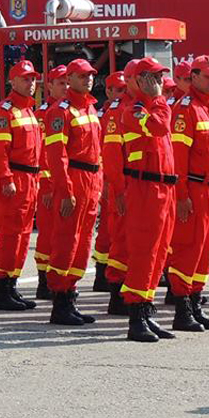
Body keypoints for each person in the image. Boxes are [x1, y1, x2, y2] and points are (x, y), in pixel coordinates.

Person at [165, 55, 209, 332]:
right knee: (188, 249)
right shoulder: (185, 109)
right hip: (194, 188)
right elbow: (178, 158)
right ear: (195, 76)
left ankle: (197, 303)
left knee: (205, 250)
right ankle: (182, 309)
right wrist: (181, 196)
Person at [118, 57, 177, 342]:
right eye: (154, 77)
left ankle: (147, 308)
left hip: (163, 188)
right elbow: (159, 127)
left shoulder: (153, 106)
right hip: (145, 189)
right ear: (140, 81)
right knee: (144, 252)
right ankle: (136, 317)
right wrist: (157, 99)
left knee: (159, 251)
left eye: (160, 77)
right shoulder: (135, 109)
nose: (160, 83)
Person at [42, 59, 102, 325]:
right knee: (67, 240)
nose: (87, 79)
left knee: (83, 242)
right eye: (81, 76)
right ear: (71, 78)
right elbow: (57, 156)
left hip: (91, 178)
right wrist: (65, 190)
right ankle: (60, 301)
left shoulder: (89, 108)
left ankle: (71, 295)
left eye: (90, 75)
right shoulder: (61, 111)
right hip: (74, 179)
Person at [0, 60, 41, 311]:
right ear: (13, 81)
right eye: (25, 79)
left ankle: (12, 285)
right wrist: (6, 179)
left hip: (29, 179)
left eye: (32, 79)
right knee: (9, 236)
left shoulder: (29, 110)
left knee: (21, 236)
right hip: (15, 179)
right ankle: (1, 288)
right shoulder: (5, 111)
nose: (31, 84)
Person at [97, 71, 131, 316]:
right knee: (116, 235)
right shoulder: (111, 114)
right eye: (118, 90)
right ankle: (112, 285)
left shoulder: (136, 110)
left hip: (137, 185)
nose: (122, 94)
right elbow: (108, 154)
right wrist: (110, 185)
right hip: (117, 182)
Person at [33, 66, 68, 301]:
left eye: (67, 82)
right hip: (49, 184)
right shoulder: (44, 113)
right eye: (61, 83)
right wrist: (46, 185)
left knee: (62, 234)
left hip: (65, 184)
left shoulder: (67, 111)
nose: (65, 87)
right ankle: (43, 280)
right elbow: (42, 153)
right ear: (50, 86)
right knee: (47, 234)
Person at [93, 71, 127, 294]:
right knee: (108, 230)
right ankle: (102, 273)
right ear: (108, 91)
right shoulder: (106, 114)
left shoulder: (123, 111)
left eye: (125, 89)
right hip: (107, 177)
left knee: (113, 229)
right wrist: (104, 181)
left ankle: (105, 274)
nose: (122, 94)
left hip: (116, 177)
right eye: (118, 90)